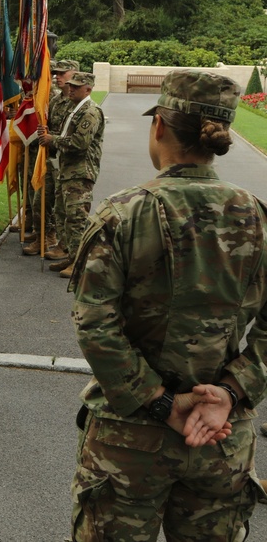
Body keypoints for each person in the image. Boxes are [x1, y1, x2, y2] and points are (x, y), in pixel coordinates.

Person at [68, 69, 267, 541]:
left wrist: (160, 404)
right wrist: (232, 392)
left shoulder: (124, 213)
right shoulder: (258, 218)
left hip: (129, 443)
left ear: (159, 126)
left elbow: (96, 325)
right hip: (220, 438)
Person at [37, 71, 104, 278]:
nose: (71, 88)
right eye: (71, 85)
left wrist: (52, 139)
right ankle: (70, 254)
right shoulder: (75, 109)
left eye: (77, 86)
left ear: (88, 89)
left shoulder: (90, 112)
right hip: (67, 171)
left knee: (76, 219)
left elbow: (79, 143)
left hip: (80, 172)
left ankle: (79, 262)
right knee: (62, 214)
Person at [23, 59, 79, 257]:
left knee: (64, 208)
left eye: (62, 73)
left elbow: (75, 137)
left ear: (74, 73)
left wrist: (51, 137)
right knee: (40, 200)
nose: (57, 77)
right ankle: (41, 237)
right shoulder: (55, 101)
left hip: (69, 163)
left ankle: (59, 242)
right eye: (55, 73)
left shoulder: (79, 104)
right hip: (51, 160)